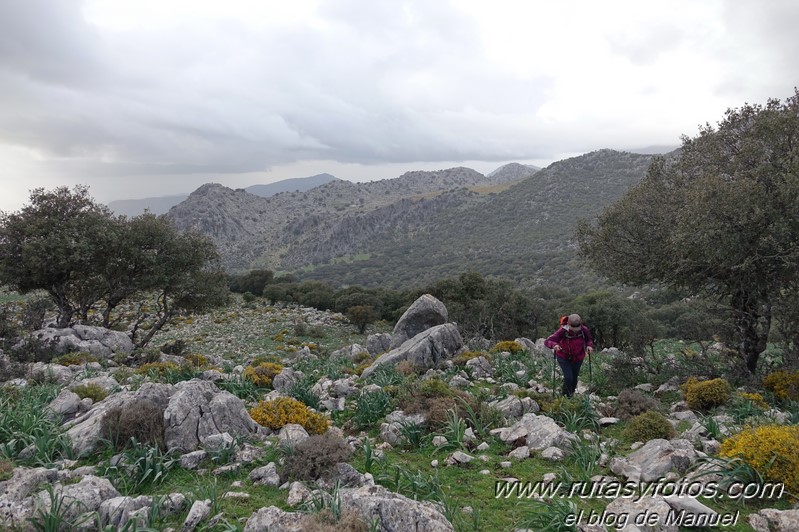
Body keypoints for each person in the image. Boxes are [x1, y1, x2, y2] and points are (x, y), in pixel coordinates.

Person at [544, 314, 594, 397]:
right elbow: (548, 341)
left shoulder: (583, 330)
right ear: (568, 324)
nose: (575, 331)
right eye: (573, 329)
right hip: (564, 357)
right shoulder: (562, 331)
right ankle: (565, 396)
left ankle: (571, 394)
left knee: (574, 379)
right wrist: (554, 345)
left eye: (576, 329)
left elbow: (589, 339)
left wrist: (589, 345)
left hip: (578, 357)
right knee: (568, 378)